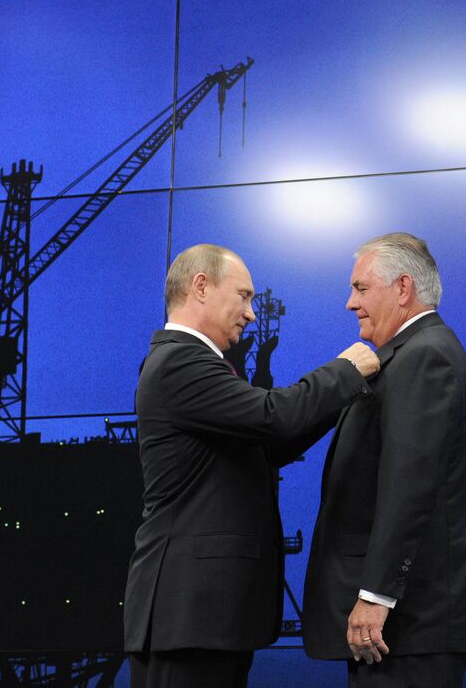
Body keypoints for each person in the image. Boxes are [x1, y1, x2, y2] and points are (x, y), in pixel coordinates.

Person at [124, 243, 379, 688]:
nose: (251, 313)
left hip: (205, 618)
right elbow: (272, 416)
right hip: (187, 615)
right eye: (243, 296)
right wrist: (346, 370)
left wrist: (346, 396)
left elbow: (268, 443)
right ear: (200, 287)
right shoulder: (179, 361)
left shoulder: (198, 364)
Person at [303, 233, 466, 688]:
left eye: (361, 288)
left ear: (403, 288)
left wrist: (375, 595)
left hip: (407, 625)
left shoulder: (424, 356)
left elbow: (409, 487)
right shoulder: (410, 355)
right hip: (401, 629)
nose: (350, 303)